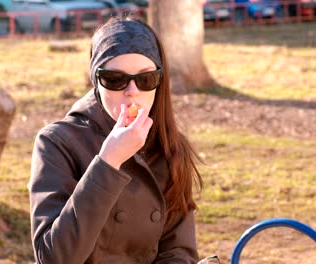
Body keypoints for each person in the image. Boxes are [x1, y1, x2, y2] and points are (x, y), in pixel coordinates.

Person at [29, 16, 204, 263]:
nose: (132, 91)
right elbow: (53, 257)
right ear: (96, 81)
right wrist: (108, 161)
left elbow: (178, 251)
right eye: (115, 79)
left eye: (145, 79)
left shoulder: (168, 144)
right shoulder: (56, 142)